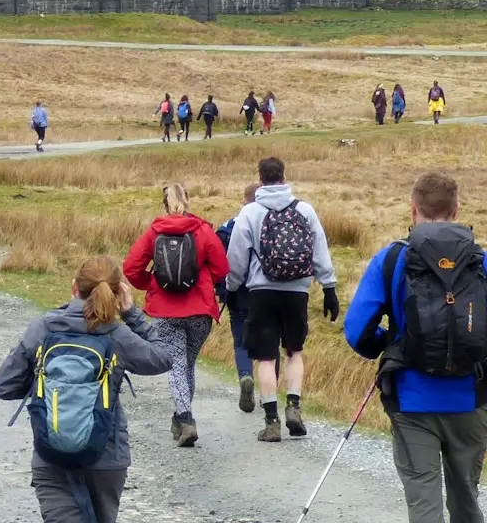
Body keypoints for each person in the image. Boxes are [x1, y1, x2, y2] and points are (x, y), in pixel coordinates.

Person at [344, 172, 487, 523]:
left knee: (423, 504)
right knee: (465, 500)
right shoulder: (482, 262)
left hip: (411, 402)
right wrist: (475, 342)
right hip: (470, 399)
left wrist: (394, 346)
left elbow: (356, 332)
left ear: (413, 209)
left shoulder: (392, 260)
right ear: (456, 211)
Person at [0, 256, 172, 523]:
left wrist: (45, 384)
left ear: (74, 286)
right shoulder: (116, 334)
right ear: (117, 293)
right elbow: (164, 358)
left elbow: (3, 386)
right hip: (106, 457)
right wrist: (132, 314)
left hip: (50, 455)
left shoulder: (43, 327)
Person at [223, 157, 338, 442]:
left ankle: (272, 421)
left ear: (260, 179)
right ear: (284, 178)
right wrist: (329, 287)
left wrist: (231, 286)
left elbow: (236, 257)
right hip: (297, 291)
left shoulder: (250, 212)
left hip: (261, 291)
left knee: (265, 357)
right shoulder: (305, 210)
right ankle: (294, 407)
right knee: (293, 352)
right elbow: (320, 249)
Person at [122, 183, 230, 448]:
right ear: (188, 201)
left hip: (166, 312)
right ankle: (182, 418)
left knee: (177, 366)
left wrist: (153, 283)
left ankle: (185, 418)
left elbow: (131, 267)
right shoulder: (203, 230)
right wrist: (203, 283)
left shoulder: (155, 231)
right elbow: (221, 268)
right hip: (200, 311)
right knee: (186, 365)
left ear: (164, 204)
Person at [215, 184, 261, 413]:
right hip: (266, 291)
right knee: (269, 344)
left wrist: (222, 290)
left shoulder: (229, 226)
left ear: (244, 201)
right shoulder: (270, 221)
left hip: (237, 292)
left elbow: (218, 261)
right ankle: (268, 395)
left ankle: (245, 377)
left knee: (241, 343)